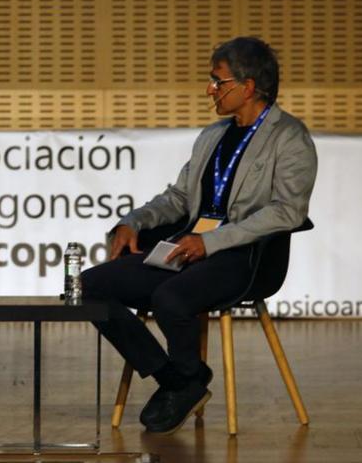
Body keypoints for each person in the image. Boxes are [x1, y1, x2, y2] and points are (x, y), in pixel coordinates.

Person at [82, 37, 317, 434]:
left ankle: (184, 379)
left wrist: (211, 242)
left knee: (170, 298)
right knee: (91, 287)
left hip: (243, 255)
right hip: (188, 245)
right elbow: (178, 198)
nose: (209, 90)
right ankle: (179, 381)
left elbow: (288, 210)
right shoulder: (212, 135)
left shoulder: (290, 137)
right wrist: (133, 222)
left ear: (248, 87)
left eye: (217, 81)